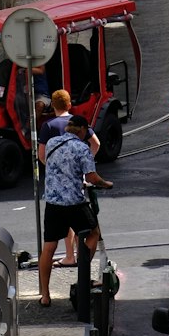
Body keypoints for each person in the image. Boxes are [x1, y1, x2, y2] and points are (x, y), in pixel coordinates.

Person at [38, 115, 112, 306]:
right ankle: (83, 274)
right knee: (93, 233)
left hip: (53, 203)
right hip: (74, 203)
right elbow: (92, 177)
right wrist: (106, 184)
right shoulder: (82, 148)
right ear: (82, 130)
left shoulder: (53, 142)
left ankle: (45, 295)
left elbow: (47, 161)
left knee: (49, 247)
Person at [38, 91, 100, 267]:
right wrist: (86, 161)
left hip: (57, 183)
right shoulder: (78, 122)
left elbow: (42, 155)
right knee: (80, 220)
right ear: (69, 105)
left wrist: (55, 168)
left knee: (63, 220)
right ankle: (79, 260)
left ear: (53, 106)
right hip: (77, 176)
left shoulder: (48, 126)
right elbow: (96, 143)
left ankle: (69, 255)